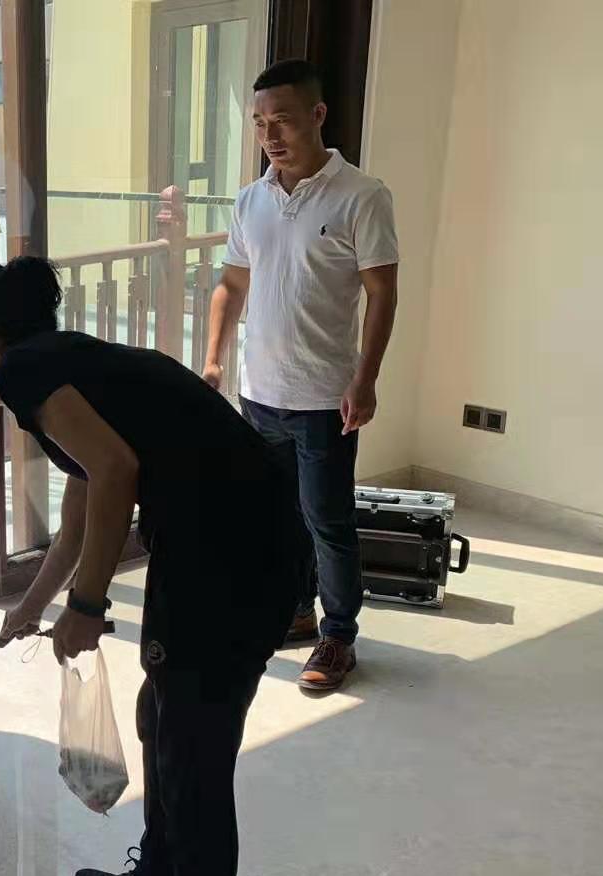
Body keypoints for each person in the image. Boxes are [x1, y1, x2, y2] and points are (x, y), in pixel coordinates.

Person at [0, 257, 303, 876]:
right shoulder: (68, 364)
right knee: (159, 715)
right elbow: (83, 505)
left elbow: (115, 473)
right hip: (222, 547)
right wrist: (34, 605)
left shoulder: (25, 373)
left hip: (233, 559)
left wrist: (86, 608)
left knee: (193, 754)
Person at [204, 58, 399, 692]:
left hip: (324, 398)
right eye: (260, 123)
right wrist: (213, 359)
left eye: (283, 120)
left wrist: (364, 379)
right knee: (276, 517)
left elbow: (382, 294)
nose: (271, 135)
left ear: (317, 115)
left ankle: (338, 635)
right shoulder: (251, 200)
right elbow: (232, 285)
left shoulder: (362, 195)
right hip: (258, 394)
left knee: (328, 523)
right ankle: (294, 611)